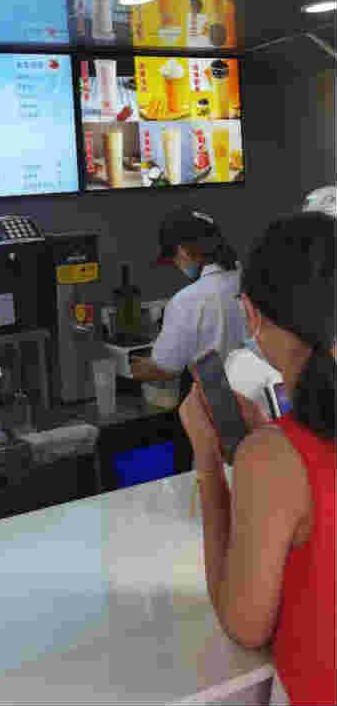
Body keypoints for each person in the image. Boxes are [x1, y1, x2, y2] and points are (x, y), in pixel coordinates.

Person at [179, 211, 336, 706]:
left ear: (251, 313)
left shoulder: (274, 459)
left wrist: (209, 461)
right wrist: (270, 440)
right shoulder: (279, 452)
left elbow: (245, 624)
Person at [130, 207, 246, 396]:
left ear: (182, 251)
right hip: (262, 397)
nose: (177, 265)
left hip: (217, 403)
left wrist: (133, 368)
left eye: (173, 258)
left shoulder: (187, 300)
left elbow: (166, 369)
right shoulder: (251, 281)